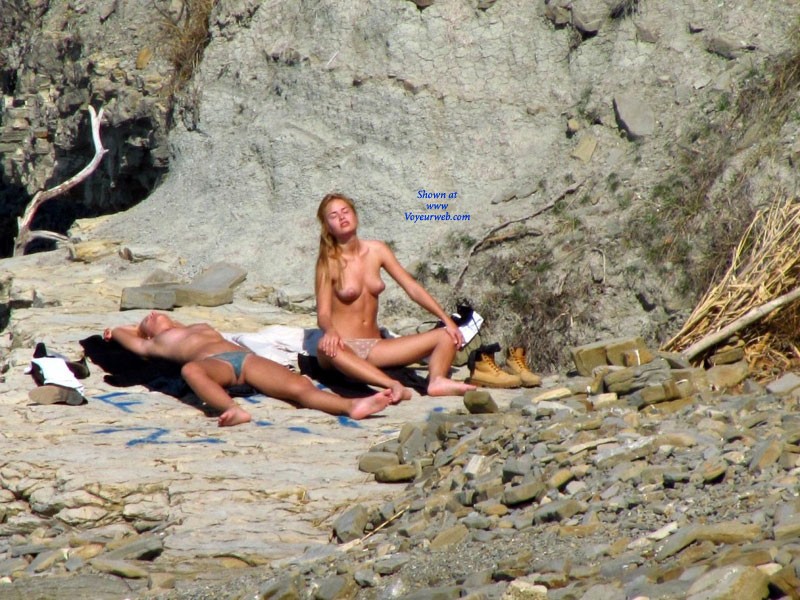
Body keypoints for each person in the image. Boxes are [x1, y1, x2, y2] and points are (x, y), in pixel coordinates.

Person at [314, 192, 476, 402]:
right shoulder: (328, 262)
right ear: (327, 226)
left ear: (355, 215)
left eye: (345, 211)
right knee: (326, 348)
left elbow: (411, 287)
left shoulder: (377, 250)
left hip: (375, 347)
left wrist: (447, 320)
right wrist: (330, 331)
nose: (342, 217)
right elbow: (323, 313)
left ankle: (436, 381)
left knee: (447, 334)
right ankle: (392, 385)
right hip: (343, 346)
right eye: (334, 215)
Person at [103, 311, 393, 427]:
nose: (153, 314)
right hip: (215, 364)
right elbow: (122, 334)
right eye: (147, 319)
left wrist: (155, 323)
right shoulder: (154, 344)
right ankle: (232, 410)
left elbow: (168, 321)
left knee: (299, 388)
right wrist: (122, 330)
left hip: (247, 358)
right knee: (191, 371)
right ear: (146, 333)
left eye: (155, 313)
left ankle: (350, 406)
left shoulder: (194, 326)